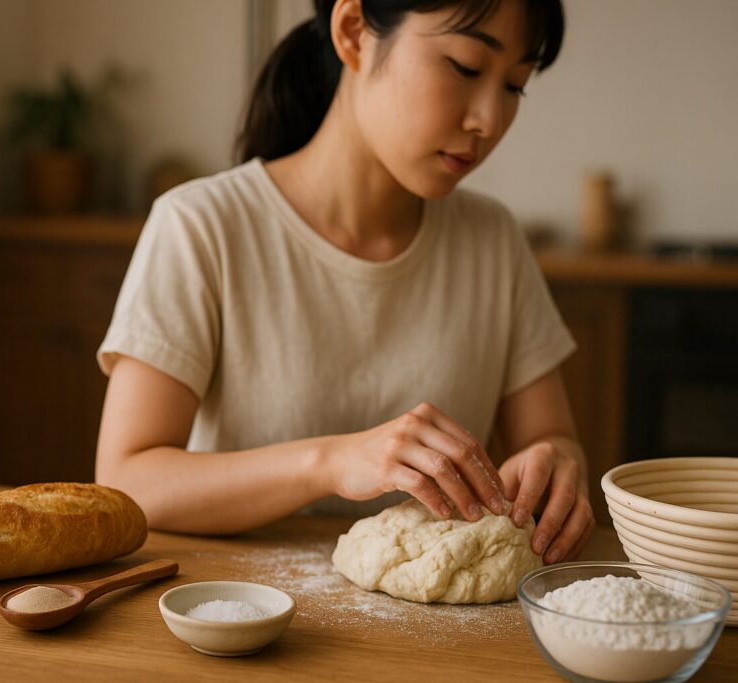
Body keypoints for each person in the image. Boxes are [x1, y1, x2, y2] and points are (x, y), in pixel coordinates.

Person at [95, 0, 594, 566]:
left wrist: (555, 466)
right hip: (244, 627)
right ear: (354, 32)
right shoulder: (201, 227)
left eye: (515, 86)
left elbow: (551, 438)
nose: (488, 120)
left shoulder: (493, 240)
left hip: (439, 638)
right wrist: (333, 463)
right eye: (465, 66)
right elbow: (129, 480)